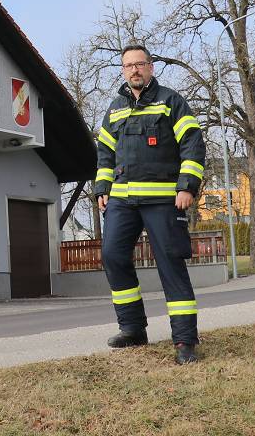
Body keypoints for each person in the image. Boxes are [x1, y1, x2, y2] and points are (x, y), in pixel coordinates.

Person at [92, 46, 206, 365]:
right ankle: (132, 329)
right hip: (122, 201)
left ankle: (185, 340)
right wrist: (102, 186)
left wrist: (187, 186)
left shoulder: (171, 101)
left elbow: (193, 145)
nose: (134, 70)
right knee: (113, 257)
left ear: (151, 67)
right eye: (128, 65)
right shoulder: (115, 109)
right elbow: (105, 153)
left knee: (171, 265)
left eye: (139, 64)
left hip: (164, 200)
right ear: (123, 70)